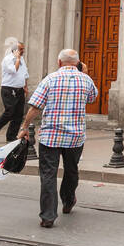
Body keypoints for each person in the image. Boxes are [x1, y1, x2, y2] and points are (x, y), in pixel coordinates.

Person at [20, 48, 98, 228]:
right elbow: (93, 97)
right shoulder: (85, 80)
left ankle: (48, 216)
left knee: (48, 174)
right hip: (75, 137)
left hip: (50, 136)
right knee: (71, 170)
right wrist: (85, 74)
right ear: (78, 63)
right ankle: (68, 200)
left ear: (59, 62)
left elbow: (35, 107)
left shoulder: (50, 79)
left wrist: (24, 127)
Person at [0, 38, 28, 143]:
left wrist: (25, 86)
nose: (23, 51)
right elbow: (14, 70)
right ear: (14, 50)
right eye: (20, 49)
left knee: (19, 114)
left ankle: (11, 136)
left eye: (23, 49)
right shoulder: (8, 59)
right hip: (9, 89)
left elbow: (25, 74)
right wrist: (18, 59)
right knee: (10, 112)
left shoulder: (22, 60)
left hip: (19, 89)